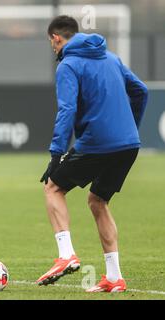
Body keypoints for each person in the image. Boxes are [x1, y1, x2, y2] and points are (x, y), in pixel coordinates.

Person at [37, 16, 148, 292]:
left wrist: (55, 154)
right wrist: (129, 129)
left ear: (56, 38)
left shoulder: (68, 65)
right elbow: (141, 91)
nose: (52, 48)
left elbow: (67, 110)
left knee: (53, 188)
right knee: (98, 201)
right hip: (128, 144)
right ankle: (114, 277)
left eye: (51, 42)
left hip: (98, 142)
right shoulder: (111, 58)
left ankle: (66, 255)